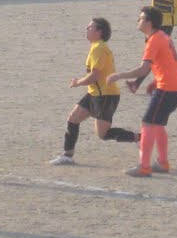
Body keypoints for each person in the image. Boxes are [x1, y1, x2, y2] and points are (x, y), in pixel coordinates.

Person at [107, 7, 177, 179]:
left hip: (168, 88)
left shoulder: (154, 40)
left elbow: (143, 69)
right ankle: (163, 163)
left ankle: (144, 167)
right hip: (176, 87)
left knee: (148, 123)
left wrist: (119, 75)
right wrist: (156, 81)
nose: (138, 20)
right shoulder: (163, 37)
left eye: (142, 18)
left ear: (150, 22)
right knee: (157, 124)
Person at [49, 17, 137, 166]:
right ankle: (67, 155)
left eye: (90, 27)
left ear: (99, 32)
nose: (86, 29)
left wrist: (77, 83)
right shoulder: (96, 46)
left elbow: (94, 76)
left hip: (106, 95)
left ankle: (140, 138)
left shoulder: (99, 49)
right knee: (73, 118)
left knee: (103, 134)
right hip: (95, 93)